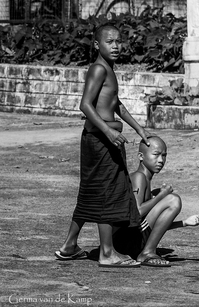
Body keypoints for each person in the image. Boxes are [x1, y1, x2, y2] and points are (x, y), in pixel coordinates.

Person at [55, 24, 151, 268]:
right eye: (110, 42)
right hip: (100, 140)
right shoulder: (98, 69)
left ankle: (69, 246)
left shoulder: (109, 68)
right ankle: (107, 253)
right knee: (108, 192)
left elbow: (116, 104)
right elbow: (85, 105)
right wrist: (108, 131)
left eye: (119, 41)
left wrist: (139, 129)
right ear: (97, 45)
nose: (116, 46)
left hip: (101, 139)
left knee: (91, 192)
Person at [112, 135, 199, 267]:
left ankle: (147, 251)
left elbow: (153, 226)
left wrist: (185, 223)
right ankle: (147, 252)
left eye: (164, 155)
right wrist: (160, 196)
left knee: (171, 199)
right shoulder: (138, 177)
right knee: (173, 200)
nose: (161, 160)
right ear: (141, 156)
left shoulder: (146, 179)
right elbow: (137, 213)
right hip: (124, 243)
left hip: (132, 241)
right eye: (156, 154)